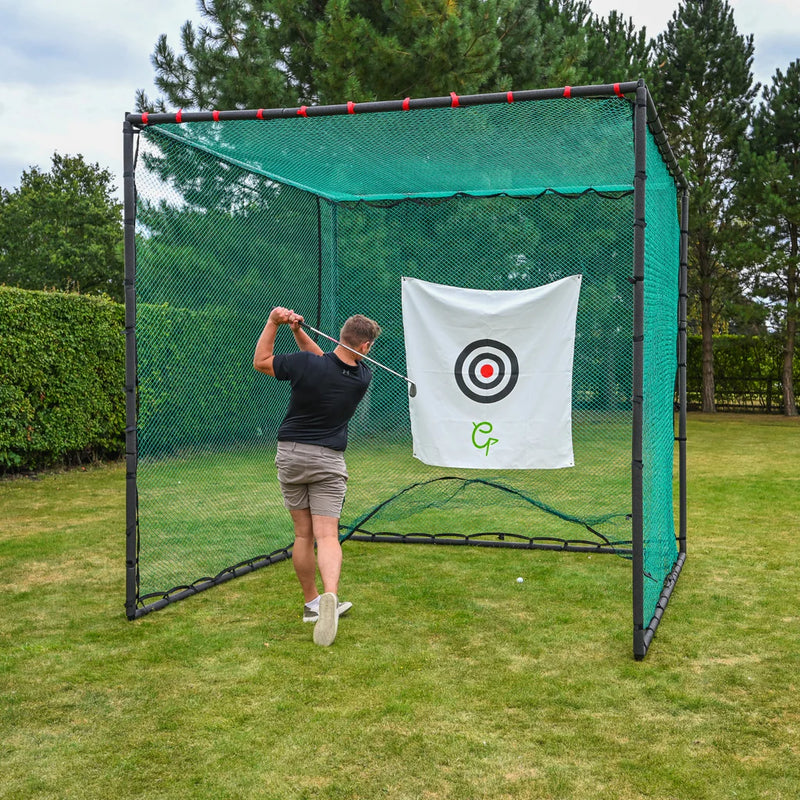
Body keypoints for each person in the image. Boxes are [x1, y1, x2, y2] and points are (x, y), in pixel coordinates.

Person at [253, 307, 382, 646]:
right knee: (326, 536)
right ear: (365, 346)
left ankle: (312, 603)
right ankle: (330, 597)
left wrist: (274, 323)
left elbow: (262, 360)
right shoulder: (362, 377)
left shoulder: (307, 365)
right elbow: (328, 363)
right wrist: (297, 331)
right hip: (327, 461)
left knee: (302, 535)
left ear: (341, 335)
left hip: (291, 455)